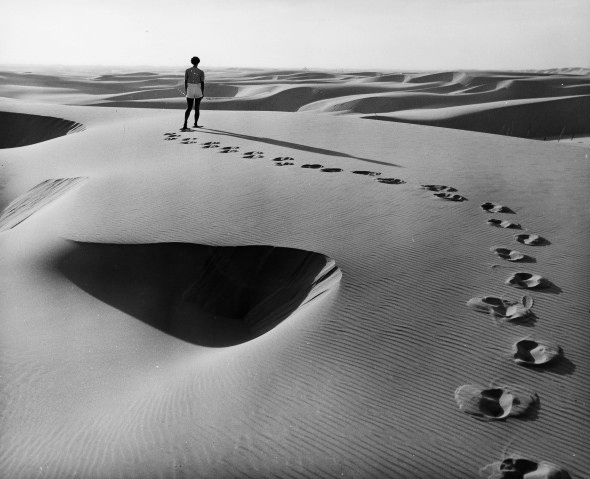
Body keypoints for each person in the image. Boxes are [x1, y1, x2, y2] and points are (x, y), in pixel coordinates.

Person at [183, 56, 205, 129]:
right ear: (198, 62)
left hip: (190, 88)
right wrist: (202, 92)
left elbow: (185, 81)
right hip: (198, 88)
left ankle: (185, 124)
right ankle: (195, 123)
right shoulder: (201, 72)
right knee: (197, 108)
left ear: (192, 62)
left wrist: (186, 91)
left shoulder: (187, 70)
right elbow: (202, 83)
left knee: (189, 107)